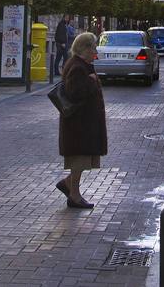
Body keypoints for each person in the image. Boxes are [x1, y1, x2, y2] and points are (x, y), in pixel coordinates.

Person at [57, 31, 107, 209]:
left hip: (83, 124)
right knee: (79, 161)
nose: (95, 51)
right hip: (79, 126)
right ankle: (74, 195)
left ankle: (68, 184)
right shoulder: (78, 67)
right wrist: (91, 82)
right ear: (84, 48)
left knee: (82, 160)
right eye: (93, 47)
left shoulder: (83, 64)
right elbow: (75, 93)